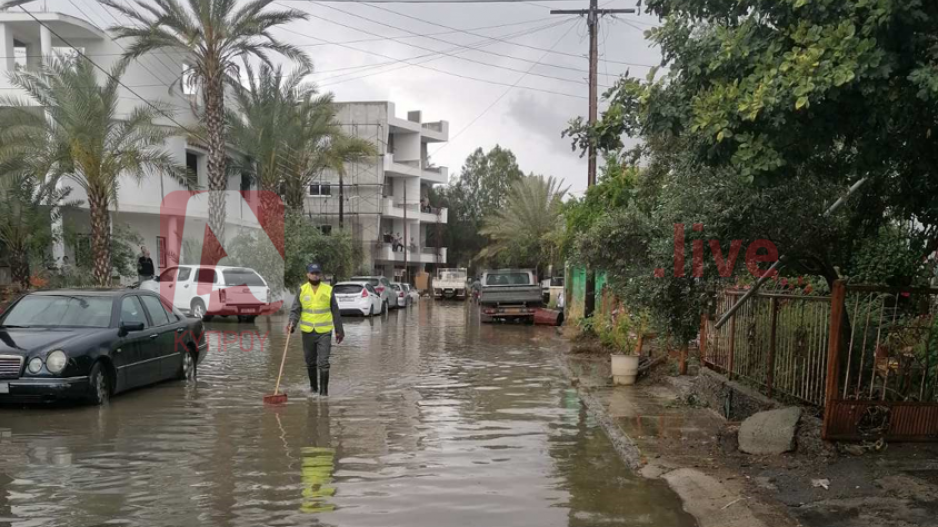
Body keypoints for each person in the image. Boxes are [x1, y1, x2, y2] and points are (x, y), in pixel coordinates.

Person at [288, 263, 345, 396]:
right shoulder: (302, 290)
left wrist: (339, 330)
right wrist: (292, 324)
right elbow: (295, 310)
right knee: (310, 362)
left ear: (321, 274)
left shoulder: (328, 290)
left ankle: (324, 394)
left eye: (318, 273)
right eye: (313, 273)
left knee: (324, 362)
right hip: (307, 332)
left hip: (324, 332)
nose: (315, 275)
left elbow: (335, 311)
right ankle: (314, 389)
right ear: (307, 274)